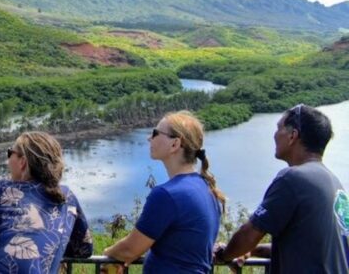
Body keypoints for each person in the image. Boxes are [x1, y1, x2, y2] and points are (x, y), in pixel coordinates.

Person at [214, 104, 349, 273]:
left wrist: (223, 255)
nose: (275, 135)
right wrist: (254, 250)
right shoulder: (335, 185)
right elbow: (310, 250)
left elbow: (249, 234)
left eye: (279, 128)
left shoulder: (293, 178)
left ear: (293, 136)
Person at [102, 111, 224, 274]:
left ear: (175, 144)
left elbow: (130, 250)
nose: (149, 138)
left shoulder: (167, 195)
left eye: (155, 133)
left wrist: (108, 254)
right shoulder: (207, 188)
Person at [0, 131, 93, 274]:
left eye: (10, 153)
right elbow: (84, 248)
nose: (7, 159)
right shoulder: (66, 196)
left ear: (23, 162)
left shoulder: (1, 189)